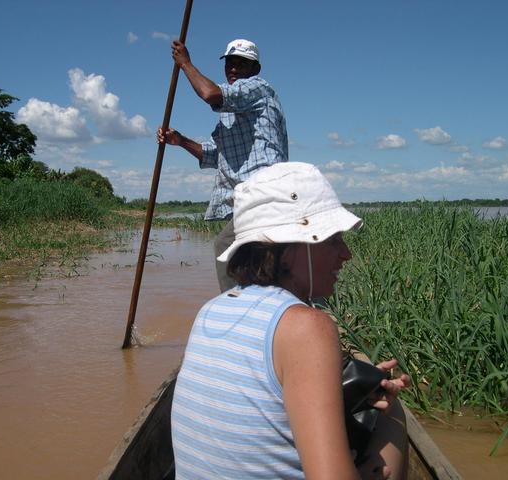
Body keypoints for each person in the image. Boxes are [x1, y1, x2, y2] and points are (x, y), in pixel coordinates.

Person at [171, 162, 412, 479]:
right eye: (331, 240)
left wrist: (351, 392)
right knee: (393, 414)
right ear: (284, 253)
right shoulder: (308, 326)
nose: (346, 254)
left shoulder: (210, 310)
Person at [157, 39, 288, 292]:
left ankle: (237, 308)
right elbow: (216, 155)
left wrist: (185, 64)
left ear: (255, 69)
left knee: (228, 247)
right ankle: (256, 305)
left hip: (266, 192)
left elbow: (210, 94)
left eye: (242, 64)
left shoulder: (258, 88)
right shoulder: (230, 112)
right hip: (250, 199)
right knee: (245, 255)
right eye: (230, 63)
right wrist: (181, 140)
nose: (234, 69)